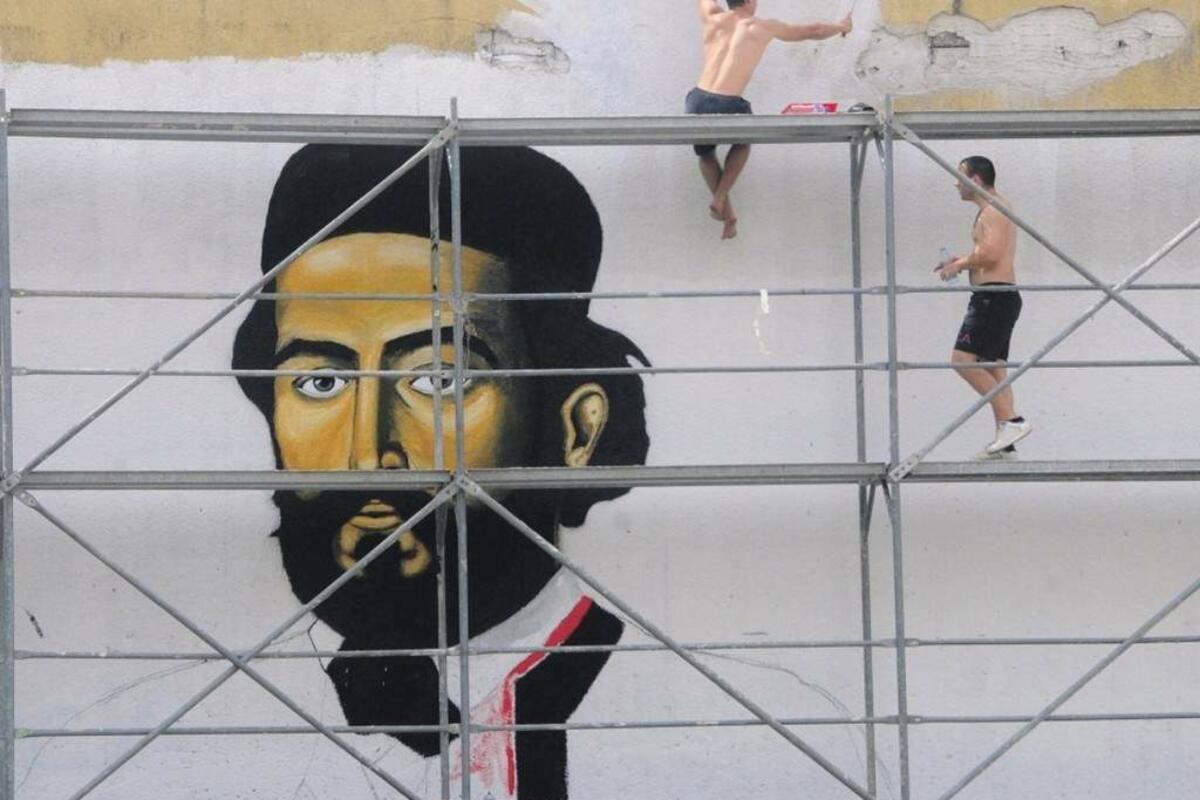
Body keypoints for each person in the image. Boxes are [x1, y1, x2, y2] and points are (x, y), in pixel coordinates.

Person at [232, 144, 650, 799]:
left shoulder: (713, 707)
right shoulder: (209, 714)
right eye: (320, 382)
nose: (369, 455)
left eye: (438, 380)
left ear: (576, 428)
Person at [687, 0, 852, 239]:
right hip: (729, 103)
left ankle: (728, 215)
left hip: (697, 101)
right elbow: (812, 31)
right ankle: (720, 197)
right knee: (743, 144)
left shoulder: (713, 17)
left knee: (705, 154)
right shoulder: (761, 27)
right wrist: (841, 26)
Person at [936, 155, 1032, 460]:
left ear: (975, 180)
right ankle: (1006, 443)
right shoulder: (995, 207)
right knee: (994, 369)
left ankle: (1013, 422)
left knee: (962, 360)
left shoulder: (992, 210)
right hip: (999, 296)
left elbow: (991, 255)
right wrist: (962, 262)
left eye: (959, 176)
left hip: (993, 297)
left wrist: (959, 265)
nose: (956, 183)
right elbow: (989, 252)